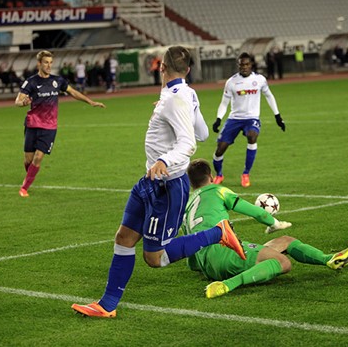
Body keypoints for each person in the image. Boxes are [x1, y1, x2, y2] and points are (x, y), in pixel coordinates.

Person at [71, 46, 246, 319]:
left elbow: (189, 143)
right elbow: (201, 132)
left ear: (160, 68)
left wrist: (164, 159)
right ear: (187, 70)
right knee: (124, 238)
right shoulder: (184, 94)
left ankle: (218, 233)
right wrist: (182, 108)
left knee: (156, 259)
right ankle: (107, 305)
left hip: (166, 186)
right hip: (148, 182)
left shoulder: (176, 98)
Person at [183, 159, 348, 299]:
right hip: (226, 253)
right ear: (211, 176)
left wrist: (205, 266)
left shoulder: (188, 207)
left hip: (208, 264)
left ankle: (329, 259)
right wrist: (274, 223)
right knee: (283, 262)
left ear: (192, 183)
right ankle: (228, 284)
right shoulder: (217, 191)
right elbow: (257, 213)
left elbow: (190, 255)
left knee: (286, 241)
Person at [15, 51, 105, 197]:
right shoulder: (31, 82)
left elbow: (73, 92)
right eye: (46, 62)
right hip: (32, 124)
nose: (49, 65)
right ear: (39, 64)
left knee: (38, 157)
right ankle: (30, 175)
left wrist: (90, 101)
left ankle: (24, 187)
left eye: (51, 62)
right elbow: (17, 101)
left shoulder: (57, 81)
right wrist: (23, 102)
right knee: (28, 159)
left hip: (49, 126)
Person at [212, 52, 285, 188]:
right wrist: (218, 119)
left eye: (246, 64)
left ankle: (246, 174)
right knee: (219, 150)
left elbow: (269, 96)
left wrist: (277, 116)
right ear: (238, 66)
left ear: (251, 64)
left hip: (251, 118)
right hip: (234, 119)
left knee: (252, 136)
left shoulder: (260, 80)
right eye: (241, 65)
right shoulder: (231, 82)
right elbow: (224, 103)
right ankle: (219, 174)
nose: (244, 67)